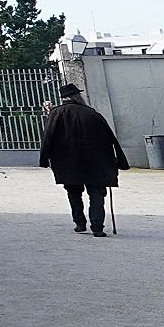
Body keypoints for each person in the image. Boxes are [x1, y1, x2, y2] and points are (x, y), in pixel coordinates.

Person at [39, 83, 128, 237]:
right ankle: (97, 227)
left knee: (73, 192)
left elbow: (48, 138)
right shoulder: (92, 114)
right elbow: (110, 138)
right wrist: (120, 161)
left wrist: (44, 159)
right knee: (97, 193)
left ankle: (80, 224)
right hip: (96, 162)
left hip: (68, 162)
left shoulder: (56, 113)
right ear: (77, 96)